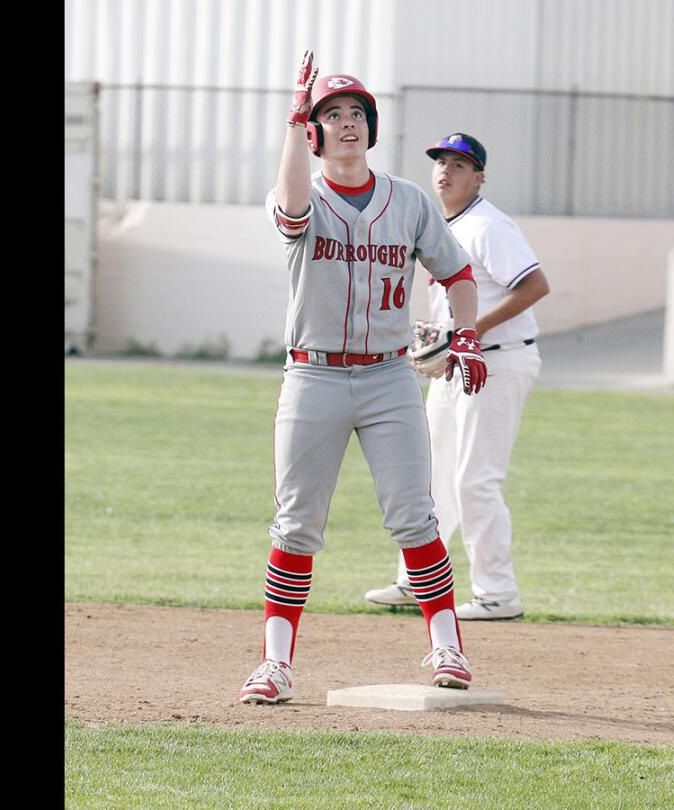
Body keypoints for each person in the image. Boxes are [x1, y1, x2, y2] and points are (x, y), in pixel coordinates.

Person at [238, 51, 489, 705]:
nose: (346, 123)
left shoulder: (407, 201)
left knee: (415, 515)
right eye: (331, 115)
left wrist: (466, 335)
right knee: (295, 525)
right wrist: (294, 119)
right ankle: (276, 664)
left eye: (356, 113)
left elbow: (457, 273)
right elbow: (292, 208)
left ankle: (447, 646)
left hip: (388, 378)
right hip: (313, 375)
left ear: (370, 128)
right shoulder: (300, 195)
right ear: (313, 132)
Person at [364, 132, 550, 622]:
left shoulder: (488, 226)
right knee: (430, 475)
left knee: (475, 479)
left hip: (498, 359)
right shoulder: (442, 224)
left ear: (480, 176)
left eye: (460, 165)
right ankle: (418, 579)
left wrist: (468, 332)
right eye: (441, 162)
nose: (446, 171)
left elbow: (535, 284)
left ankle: (497, 592)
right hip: (457, 363)